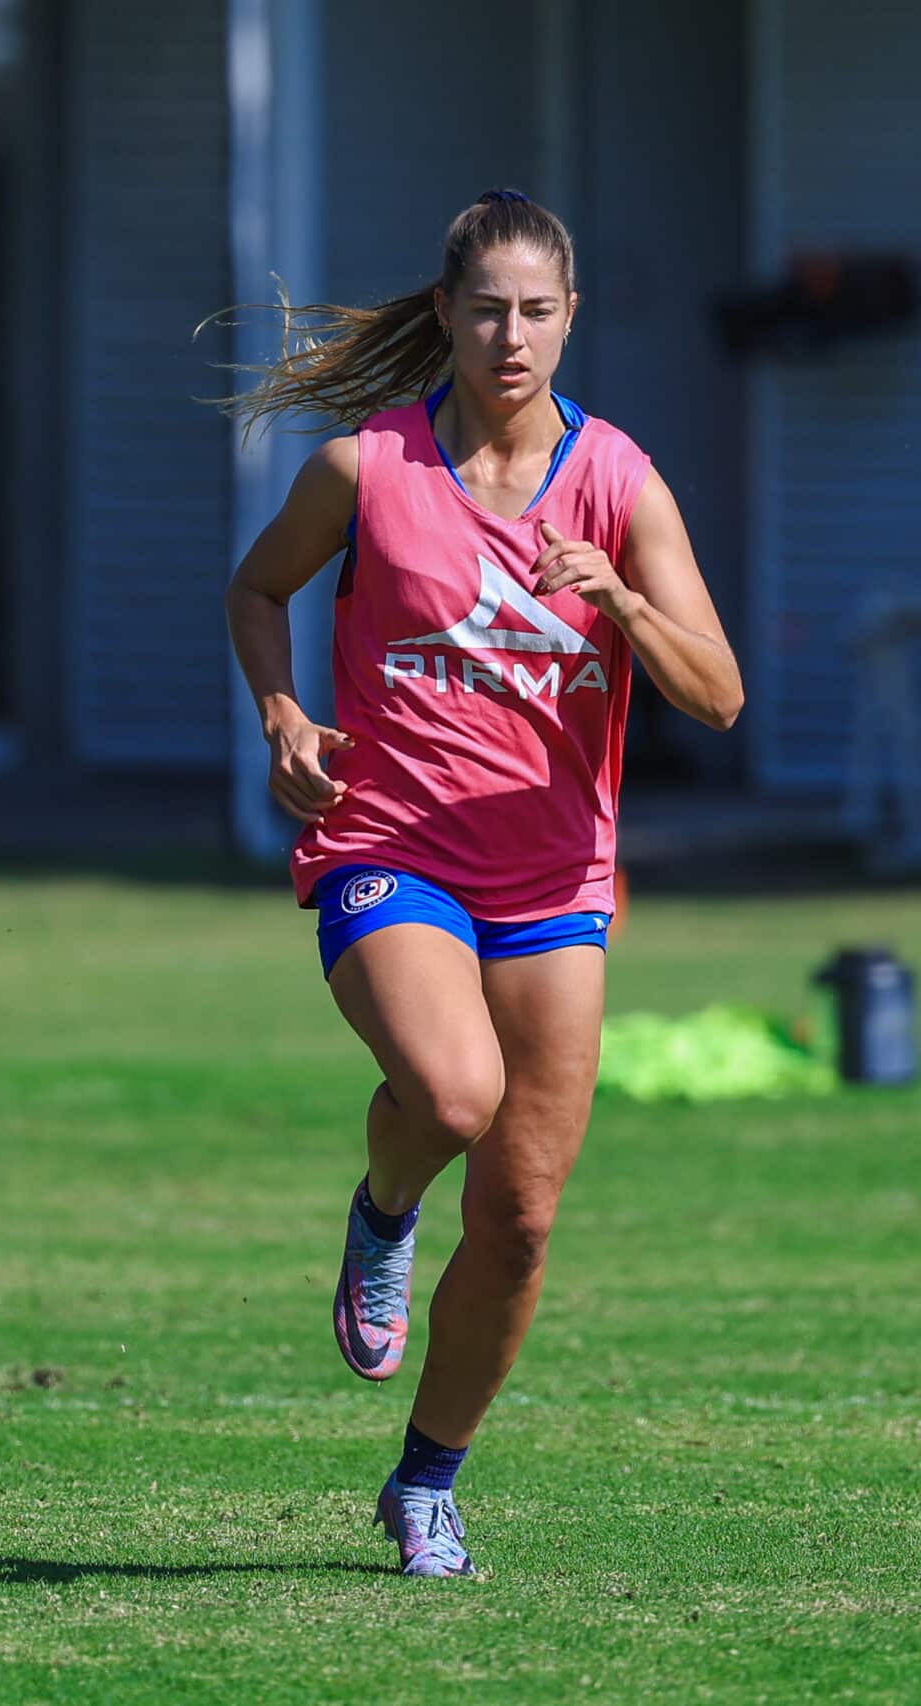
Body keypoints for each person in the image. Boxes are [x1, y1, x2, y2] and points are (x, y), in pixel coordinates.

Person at [219, 192, 743, 1576]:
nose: (512, 336)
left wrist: (620, 600)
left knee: (518, 1220)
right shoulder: (366, 469)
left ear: (572, 319)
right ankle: (382, 1211)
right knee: (452, 1092)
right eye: (487, 308)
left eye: (539, 311)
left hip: (554, 878)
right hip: (388, 845)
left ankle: (428, 1481)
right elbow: (258, 590)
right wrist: (283, 715)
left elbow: (722, 693)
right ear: (445, 313)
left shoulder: (622, 483)